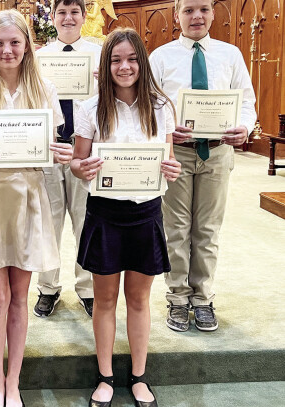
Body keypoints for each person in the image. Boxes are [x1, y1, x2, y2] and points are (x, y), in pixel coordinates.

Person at [0, 10, 72, 407]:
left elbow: (50, 152)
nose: (7, 50)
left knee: (20, 296)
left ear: (28, 46)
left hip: (28, 197)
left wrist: (60, 153)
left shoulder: (45, 89)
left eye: (14, 42)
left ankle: (15, 381)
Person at [70, 28, 181, 407]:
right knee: (104, 301)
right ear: (105, 65)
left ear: (142, 62)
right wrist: (81, 169)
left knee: (138, 299)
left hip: (146, 212)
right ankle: (104, 376)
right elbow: (76, 162)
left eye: (132, 58)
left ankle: (138, 377)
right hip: (104, 213)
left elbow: (168, 158)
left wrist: (171, 169)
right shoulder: (88, 108)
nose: (125, 66)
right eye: (116, 59)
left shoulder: (162, 107)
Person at [149, 0, 256, 332]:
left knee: (207, 229)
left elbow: (247, 101)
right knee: (176, 228)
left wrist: (245, 127)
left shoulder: (230, 55)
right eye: (189, 10)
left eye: (203, 10)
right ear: (177, 15)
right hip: (177, 154)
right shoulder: (161, 57)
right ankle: (178, 297)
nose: (196, 16)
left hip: (218, 152)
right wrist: (166, 129)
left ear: (212, 13)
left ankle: (203, 297)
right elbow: (150, 104)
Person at [34, 0, 102, 318]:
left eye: (74, 12)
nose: (68, 18)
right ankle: (48, 288)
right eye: (61, 12)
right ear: (53, 17)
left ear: (84, 16)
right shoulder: (38, 58)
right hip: (50, 146)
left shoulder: (99, 55)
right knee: (48, 222)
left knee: (85, 220)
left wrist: (105, 81)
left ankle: (87, 288)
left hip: (84, 149)